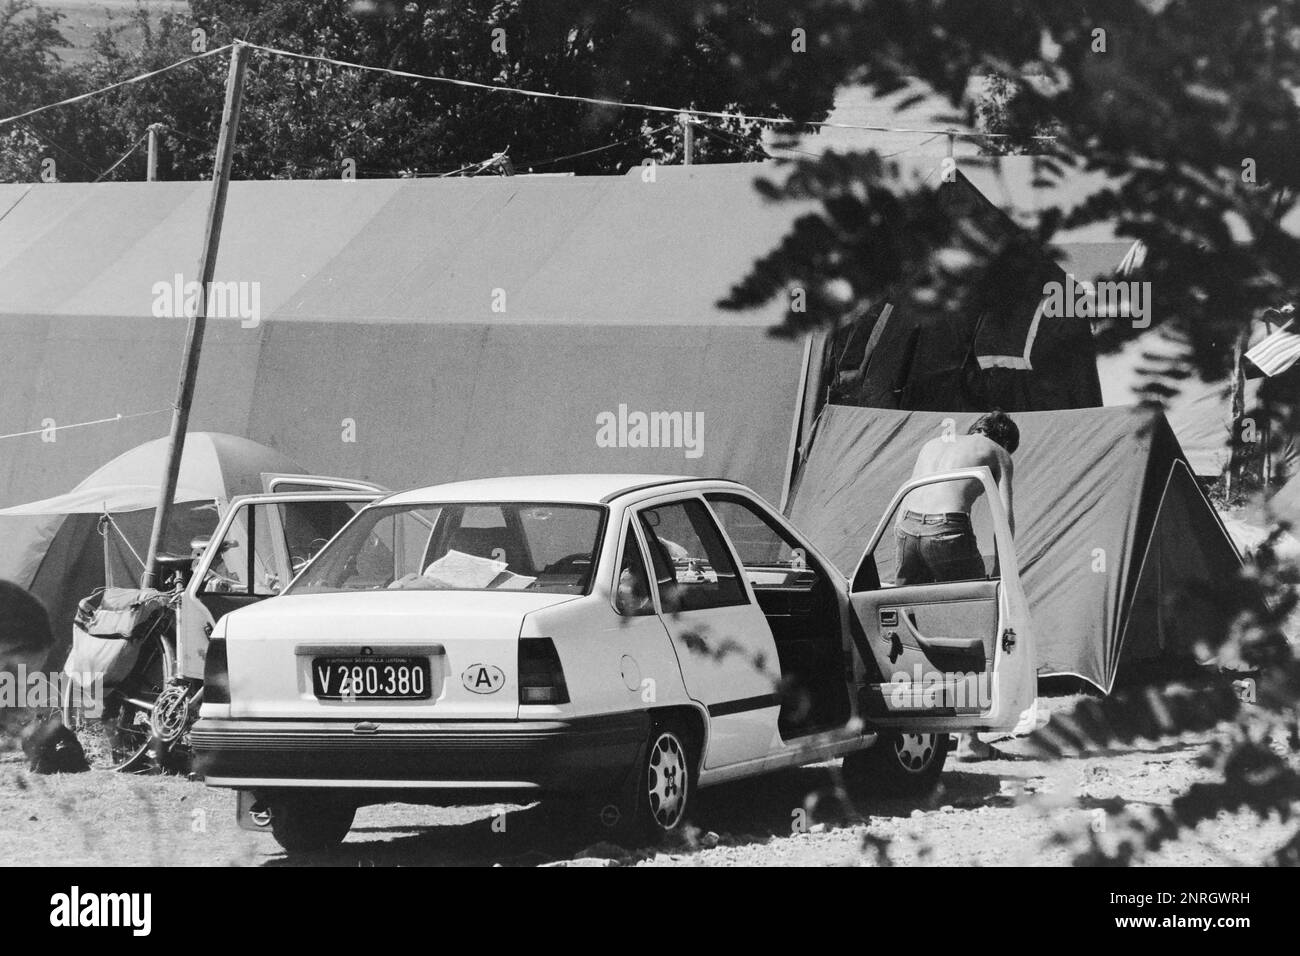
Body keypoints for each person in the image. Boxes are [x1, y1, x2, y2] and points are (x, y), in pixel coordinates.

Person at [896, 409, 1018, 760]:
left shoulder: (935, 442)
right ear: (1005, 439)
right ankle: (969, 740)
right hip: (947, 529)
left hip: (904, 528)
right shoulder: (999, 453)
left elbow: (913, 494)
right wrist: (1004, 570)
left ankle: (911, 723)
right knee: (974, 627)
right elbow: (1003, 517)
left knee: (907, 630)